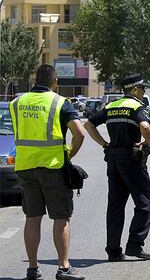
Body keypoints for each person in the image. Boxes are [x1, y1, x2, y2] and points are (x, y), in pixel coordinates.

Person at [9, 64, 85, 280]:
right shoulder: (60, 102)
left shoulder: (17, 103)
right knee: (60, 218)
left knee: (32, 217)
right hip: (53, 168)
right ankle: (63, 268)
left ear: (35, 81)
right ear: (55, 82)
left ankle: (33, 269)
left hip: (25, 167)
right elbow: (79, 133)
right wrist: (68, 154)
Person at [84, 74, 150, 261]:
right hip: (131, 158)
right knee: (144, 202)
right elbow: (145, 127)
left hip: (113, 157)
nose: (143, 92)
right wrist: (147, 142)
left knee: (115, 205)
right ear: (135, 90)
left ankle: (113, 250)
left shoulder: (111, 106)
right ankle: (135, 245)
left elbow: (89, 124)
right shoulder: (137, 106)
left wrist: (104, 144)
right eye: (142, 89)